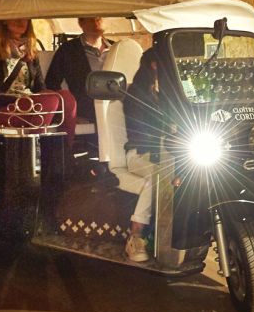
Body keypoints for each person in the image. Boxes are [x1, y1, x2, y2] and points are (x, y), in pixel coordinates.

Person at [0, 19, 78, 148]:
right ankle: (36, 150)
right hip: (5, 107)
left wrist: (36, 98)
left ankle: (66, 153)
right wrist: (21, 99)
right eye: (17, 16)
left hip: (31, 106)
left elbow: (40, 86)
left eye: (26, 17)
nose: (22, 21)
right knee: (50, 99)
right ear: (4, 21)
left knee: (66, 97)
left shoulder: (30, 51)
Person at [121, 47, 167, 262]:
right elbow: (143, 128)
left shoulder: (157, 94)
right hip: (138, 155)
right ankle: (136, 236)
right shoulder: (135, 94)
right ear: (154, 65)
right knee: (159, 177)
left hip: (161, 154)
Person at [45, 17, 113, 122]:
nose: (96, 23)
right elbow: (51, 83)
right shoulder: (68, 50)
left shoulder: (117, 48)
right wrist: (69, 112)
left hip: (114, 109)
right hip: (84, 112)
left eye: (99, 18)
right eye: (91, 19)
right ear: (81, 22)